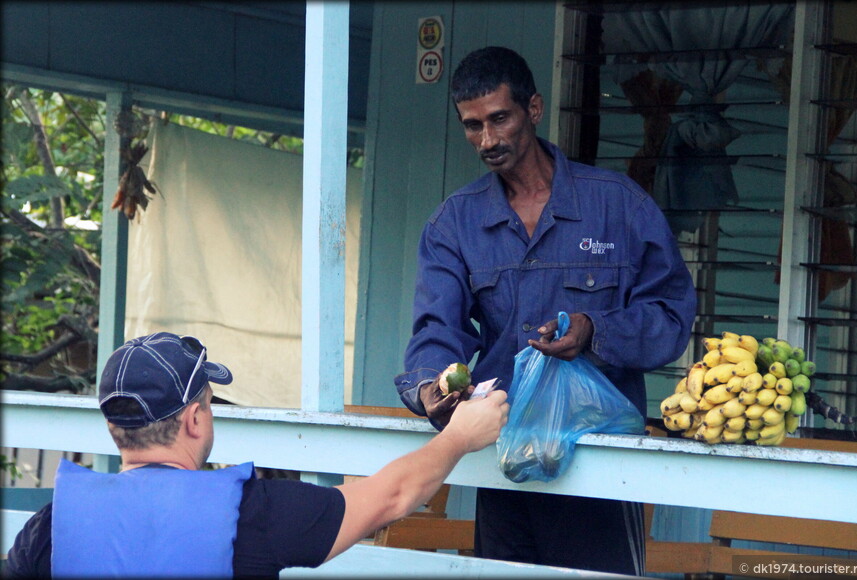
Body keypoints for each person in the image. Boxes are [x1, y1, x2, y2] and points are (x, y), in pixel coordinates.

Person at [394, 46, 696, 574]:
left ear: (533, 109)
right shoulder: (455, 224)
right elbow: (437, 327)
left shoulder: (618, 206)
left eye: (499, 119)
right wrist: (430, 388)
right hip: (503, 458)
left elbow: (671, 317)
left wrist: (595, 331)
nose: (487, 140)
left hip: (600, 461)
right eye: (472, 126)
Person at [6, 331, 509, 578]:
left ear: (114, 429)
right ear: (195, 419)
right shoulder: (252, 513)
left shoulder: (51, 526)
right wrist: (460, 436)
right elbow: (392, 495)